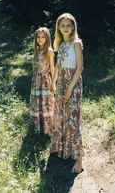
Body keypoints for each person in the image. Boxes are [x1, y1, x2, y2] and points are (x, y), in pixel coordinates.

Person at [50, 13, 84, 173]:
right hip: (61, 82)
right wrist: (53, 82)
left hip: (73, 82)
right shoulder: (61, 43)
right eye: (63, 25)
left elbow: (80, 67)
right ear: (58, 27)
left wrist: (70, 88)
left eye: (69, 25)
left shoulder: (76, 43)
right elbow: (57, 64)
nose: (66, 28)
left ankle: (79, 159)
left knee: (73, 118)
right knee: (61, 115)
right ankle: (63, 149)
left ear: (73, 26)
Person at [29, 27, 55, 135]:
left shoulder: (48, 51)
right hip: (36, 81)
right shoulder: (37, 50)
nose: (40, 39)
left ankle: (48, 128)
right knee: (37, 102)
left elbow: (52, 68)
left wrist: (53, 84)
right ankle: (38, 127)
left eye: (43, 37)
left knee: (45, 102)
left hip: (45, 81)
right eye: (38, 37)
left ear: (47, 38)